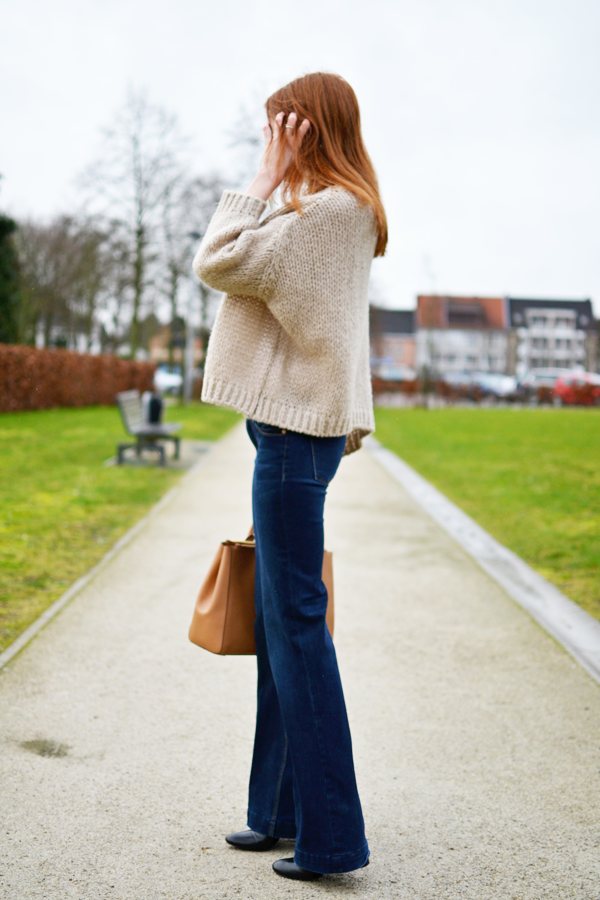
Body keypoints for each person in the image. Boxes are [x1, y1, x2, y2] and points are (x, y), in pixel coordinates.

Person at [193, 71, 388, 882]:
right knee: (281, 624)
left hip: (293, 443)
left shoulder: (332, 213)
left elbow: (219, 261)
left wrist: (262, 179)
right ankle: (278, 812)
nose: (273, 138)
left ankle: (334, 838)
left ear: (311, 128)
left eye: (282, 125)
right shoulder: (330, 212)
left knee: (298, 625)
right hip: (293, 439)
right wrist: (278, 187)